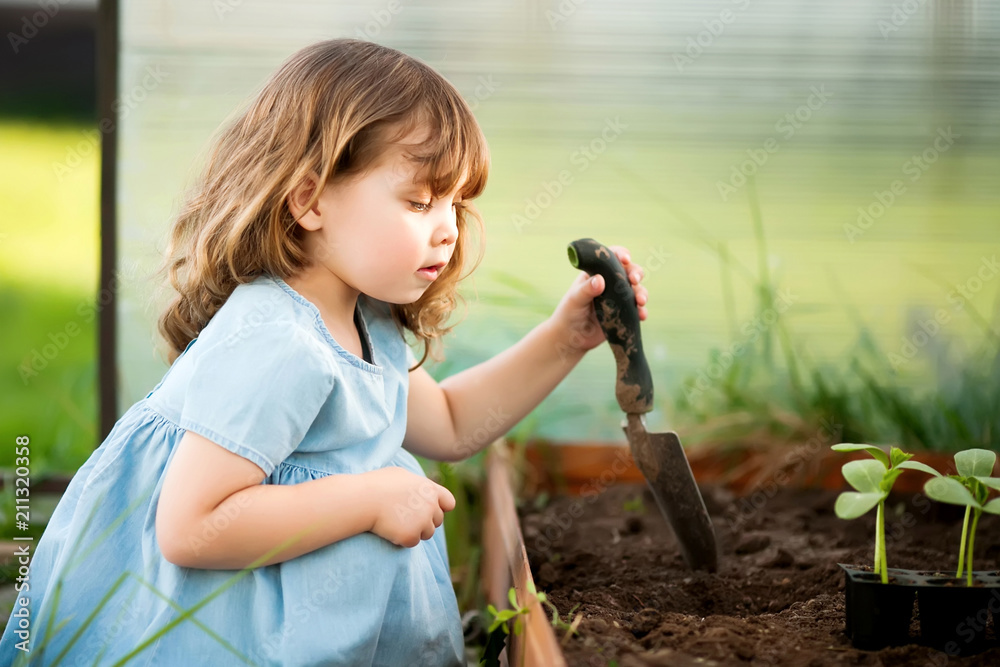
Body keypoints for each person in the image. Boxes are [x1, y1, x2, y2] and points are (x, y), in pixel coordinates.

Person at [0, 39, 648, 666]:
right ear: (309, 200)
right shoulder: (277, 343)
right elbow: (191, 525)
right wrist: (369, 499)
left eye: (456, 202)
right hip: (218, 635)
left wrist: (566, 338)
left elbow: (450, 423)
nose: (448, 228)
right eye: (419, 200)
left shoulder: (363, 316)